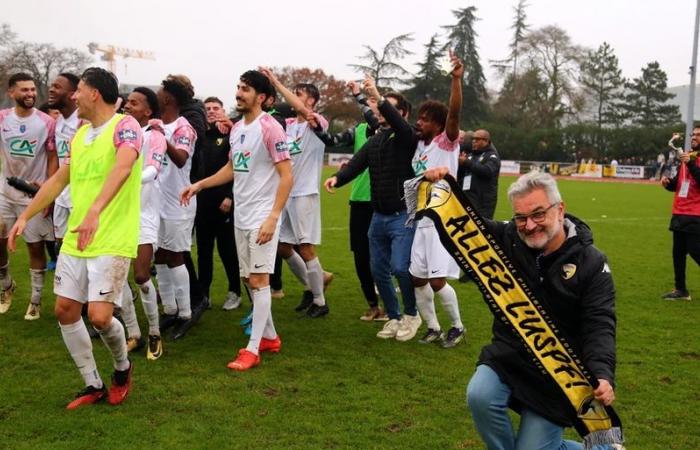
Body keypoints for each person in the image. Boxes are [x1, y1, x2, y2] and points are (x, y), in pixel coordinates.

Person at [423, 167, 617, 450]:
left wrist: (601, 373)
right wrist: (441, 184)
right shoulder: (507, 238)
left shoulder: (592, 262)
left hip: (558, 373)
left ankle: (603, 448)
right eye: (521, 217)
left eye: (538, 214)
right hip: (509, 355)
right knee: (479, 396)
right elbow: (463, 228)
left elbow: (599, 323)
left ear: (560, 209)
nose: (529, 225)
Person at [8, 67, 142, 408]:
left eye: (78, 90)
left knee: (99, 317)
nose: (73, 96)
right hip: (77, 237)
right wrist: (25, 214)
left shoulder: (125, 126)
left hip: (111, 236)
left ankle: (122, 369)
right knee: (66, 310)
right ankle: (92, 384)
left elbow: (124, 166)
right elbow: (58, 180)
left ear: (94, 93)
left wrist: (96, 209)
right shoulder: (80, 134)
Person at [181, 69, 292, 371]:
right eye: (239, 87)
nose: (239, 93)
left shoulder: (270, 128)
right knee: (249, 279)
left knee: (258, 280)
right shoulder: (238, 128)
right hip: (242, 216)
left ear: (262, 97)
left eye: (246, 89)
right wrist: (200, 184)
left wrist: (273, 217)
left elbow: (286, 176)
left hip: (261, 216)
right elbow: (233, 167)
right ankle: (269, 336)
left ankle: (252, 349)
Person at [324, 79, 422, 342]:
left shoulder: (407, 137)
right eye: (380, 108)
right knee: (378, 270)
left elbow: (398, 124)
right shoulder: (377, 139)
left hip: (402, 214)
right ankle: (394, 317)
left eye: (387, 108)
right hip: (378, 218)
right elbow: (357, 163)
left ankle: (412, 314)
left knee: (400, 268)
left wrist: (376, 95)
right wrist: (338, 177)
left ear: (403, 114)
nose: (380, 111)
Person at [260, 67, 332, 318]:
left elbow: (304, 112)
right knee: (282, 247)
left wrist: (277, 83)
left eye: (298, 93)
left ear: (311, 100)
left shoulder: (317, 122)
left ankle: (320, 301)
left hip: (304, 193)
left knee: (306, 247)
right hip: (285, 194)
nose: (292, 96)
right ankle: (315, 283)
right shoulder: (287, 124)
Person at [313, 80, 384, 321]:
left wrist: (358, 95)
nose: (371, 106)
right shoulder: (360, 130)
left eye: (375, 102)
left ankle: (390, 299)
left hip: (384, 201)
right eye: (370, 102)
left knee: (383, 256)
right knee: (361, 256)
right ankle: (373, 304)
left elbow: (376, 119)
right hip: (359, 199)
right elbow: (331, 142)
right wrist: (316, 128)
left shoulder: (389, 131)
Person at [409, 51, 465, 348]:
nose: (420, 122)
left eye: (426, 119)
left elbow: (454, 113)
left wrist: (456, 80)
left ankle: (457, 326)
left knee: (437, 279)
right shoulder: (420, 145)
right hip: (422, 218)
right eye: (418, 117)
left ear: (438, 124)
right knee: (416, 277)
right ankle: (432, 327)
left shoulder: (447, 140)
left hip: (444, 219)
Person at [0, 72, 58, 320]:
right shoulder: (2, 119)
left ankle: (35, 301)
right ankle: (6, 286)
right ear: (11, 93)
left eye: (33, 89)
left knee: (35, 248)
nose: (30, 94)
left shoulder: (46, 122)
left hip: (33, 196)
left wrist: (47, 189)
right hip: (5, 193)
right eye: (24, 90)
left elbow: (53, 156)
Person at [120, 86, 167, 359]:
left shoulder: (154, 136)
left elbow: (152, 170)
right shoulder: (119, 132)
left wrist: (124, 178)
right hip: (117, 215)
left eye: (134, 103)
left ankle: (154, 332)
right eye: (127, 101)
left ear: (148, 111)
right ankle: (133, 333)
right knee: (118, 278)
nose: (127, 106)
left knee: (140, 274)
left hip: (144, 215)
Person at [152, 75, 197, 339]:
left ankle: (185, 314)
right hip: (156, 202)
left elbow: (180, 159)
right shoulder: (155, 125)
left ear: (168, 97)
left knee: (176, 256)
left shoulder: (183, 128)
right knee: (160, 257)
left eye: (160, 91)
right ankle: (169, 309)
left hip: (179, 203)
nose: (157, 94)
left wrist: (160, 137)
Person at [196, 96, 241, 311]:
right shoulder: (200, 136)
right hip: (201, 202)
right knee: (203, 252)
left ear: (223, 111)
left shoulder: (233, 134)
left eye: (216, 108)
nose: (212, 111)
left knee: (227, 250)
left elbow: (239, 169)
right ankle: (203, 294)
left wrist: (230, 196)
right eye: (208, 108)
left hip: (224, 202)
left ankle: (235, 291)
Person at [660, 126, 700, 301]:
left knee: (695, 251)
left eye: (699, 135)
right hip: (679, 212)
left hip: (695, 213)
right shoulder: (687, 156)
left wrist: (690, 162)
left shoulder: (691, 159)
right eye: (694, 134)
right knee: (678, 253)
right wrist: (668, 183)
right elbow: (679, 183)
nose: (694, 137)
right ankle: (681, 290)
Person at [458, 129, 501, 220]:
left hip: (483, 202)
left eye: (477, 139)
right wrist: (460, 164)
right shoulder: (470, 156)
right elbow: (461, 176)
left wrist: (467, 163)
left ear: (486, 141)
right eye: (473, 139)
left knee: (482, 229)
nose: (474, 141)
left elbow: (487, 171)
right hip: (468, 199)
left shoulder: (492, 156)